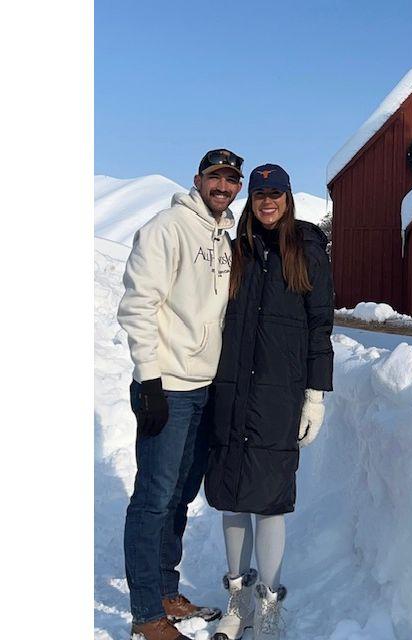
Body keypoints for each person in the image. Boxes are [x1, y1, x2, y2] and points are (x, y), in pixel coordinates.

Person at [117, 149, 244, 640]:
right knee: (153, 498)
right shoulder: (166, 228)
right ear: (198, 179)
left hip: (204, 388)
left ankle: (167, 590)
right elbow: (138, 305)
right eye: (215, 177)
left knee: (179, 496)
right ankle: (146, 612)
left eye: (231, 179)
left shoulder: (223, 237)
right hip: (167, 386)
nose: (223, 186)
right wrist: (149, 378)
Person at [204, 164, 334, 640]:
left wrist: (315, 394)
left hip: (279, 394)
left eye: (275, 193)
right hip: (231, 388)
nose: (267, 201)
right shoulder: (235, 250)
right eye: (260, 194)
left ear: (287, 197)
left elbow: (320, 327)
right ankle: (238, 601)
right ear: (251, 200)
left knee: (270, 500)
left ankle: (269, 604)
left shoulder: (307, 251)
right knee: (232, 497)